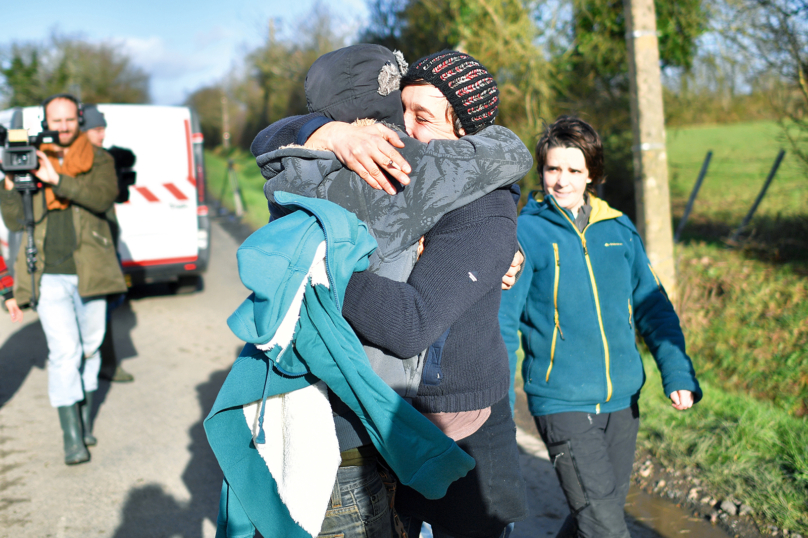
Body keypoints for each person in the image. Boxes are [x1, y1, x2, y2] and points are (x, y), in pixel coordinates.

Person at [214, 46, 532, 538]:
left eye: (421, 116)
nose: (405, 128)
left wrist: (312, 272)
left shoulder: (481, 201)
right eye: (400, 111)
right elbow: (272, 140)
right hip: (385, 417)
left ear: (465, 125)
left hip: (458, 418)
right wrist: (327, 132)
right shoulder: (378, 170)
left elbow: (410, 323)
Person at [498, 116, 702, 538]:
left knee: (594, 514)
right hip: (562, 402)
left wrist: (676, 371)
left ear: (592, 172)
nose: (562, 180)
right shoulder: (525, 234)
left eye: (573, 170)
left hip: (623, 402)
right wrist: (496, 405)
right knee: (606, 527)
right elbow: (502, 321)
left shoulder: (619, 229)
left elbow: (654, 307)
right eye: (553, 169)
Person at [0, 94, 127, 465]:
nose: (63, 127)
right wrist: (11, 183)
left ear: (79, 119)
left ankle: (84, 419)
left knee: (89, 347)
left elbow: (102, 198)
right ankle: (71, 436)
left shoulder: (100, 159)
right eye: (55, 120)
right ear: (46, 122)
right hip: (48, 272)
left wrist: (57, 179)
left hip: (92, 268)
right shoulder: (33, 157)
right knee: (65, 351)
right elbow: (13, 221)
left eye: (69, 119)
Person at [81, 104, 135, 383]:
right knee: (93, 308)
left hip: (106, 242)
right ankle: (98, 366)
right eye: (97, 129)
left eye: (103, 129)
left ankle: (107, 364)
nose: (102, 134)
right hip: (89, 246)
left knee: (106, 308)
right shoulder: (79, 161)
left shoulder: (103, 158)